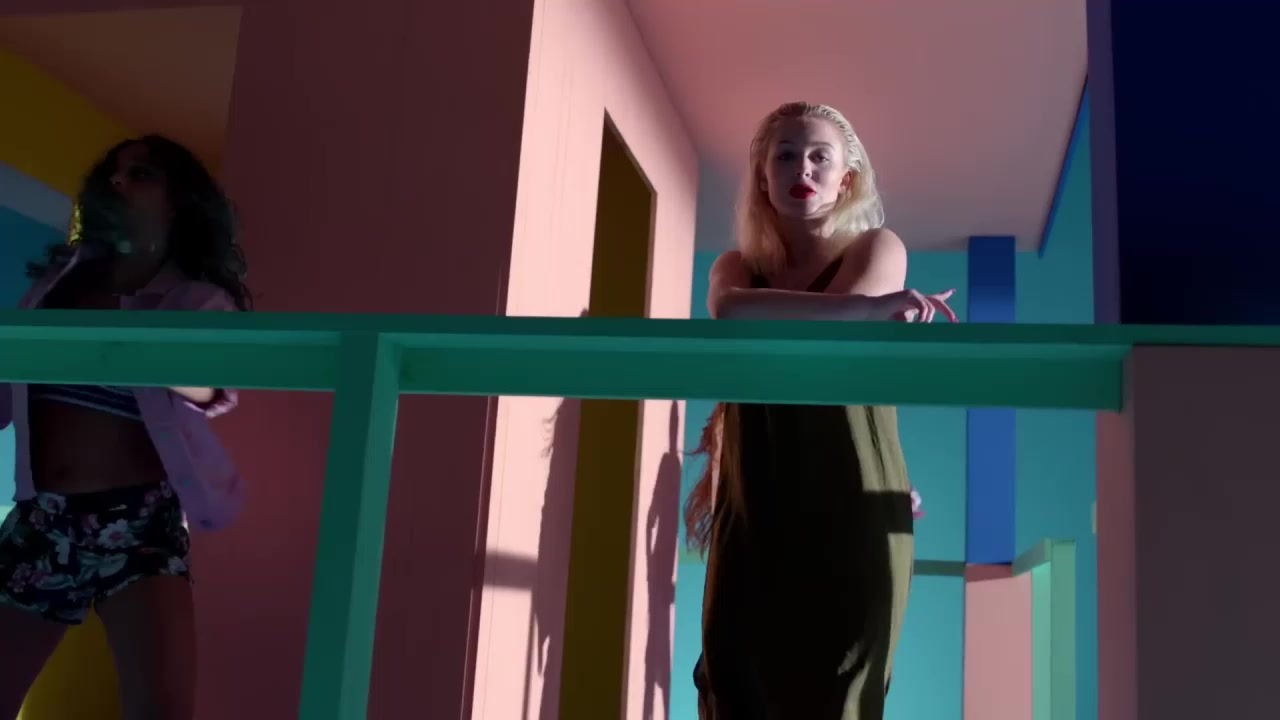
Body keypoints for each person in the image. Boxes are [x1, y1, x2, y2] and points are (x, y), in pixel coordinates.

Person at [683, 102, 955, 720]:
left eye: (818, 157)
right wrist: (869, 311)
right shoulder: (736, 267)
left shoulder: (879, 247)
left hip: (854, 501)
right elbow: (733, 309)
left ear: (846, 178)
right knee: (733, 679)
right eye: (784, 156)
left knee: (842, 691)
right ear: (762, 178)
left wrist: (856, 309)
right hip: (757, 501)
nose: (801, 169)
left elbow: (824, 325)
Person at [0, 135, 250, 720]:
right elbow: (11, 386)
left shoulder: (196, 297)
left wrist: (160, 353)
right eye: (112, 174)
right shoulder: (61, 281)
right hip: (43, 517)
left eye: (140, 175)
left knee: (160, 710)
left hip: (139, 523)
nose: (117, 182)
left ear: (179, 202)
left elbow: (213, 386)